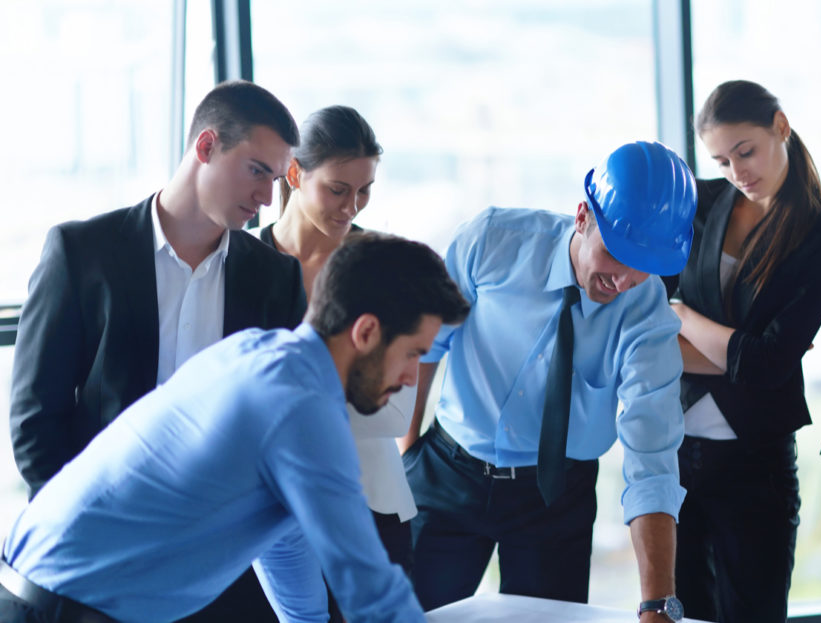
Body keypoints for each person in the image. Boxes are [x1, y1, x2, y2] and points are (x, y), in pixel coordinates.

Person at [0, 233, 471, 623]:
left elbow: (280, 535)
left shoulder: (258, 354)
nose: (413, 376)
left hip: (33, 593)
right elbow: (373, 593)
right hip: (61, 611)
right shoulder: (302, 407)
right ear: (366, 332)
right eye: (413, 353)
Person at [9, 80, 307, 622]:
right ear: (207, 146)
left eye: (277, 178)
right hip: (101, 564)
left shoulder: (276, 278)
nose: (268, 198)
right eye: (257, 170)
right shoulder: (82, 254)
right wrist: (86, 534)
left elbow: (281, 427)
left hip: (225, 573)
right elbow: (36, 418)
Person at [399, 140, 697, 621]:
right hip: (447, 473)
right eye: (617, 254)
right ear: (583, 216)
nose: (623, 280)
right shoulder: (493, 240)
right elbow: (424, 346)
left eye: (646, 267)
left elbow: (652, 461)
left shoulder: (647, 316)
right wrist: (406, 453)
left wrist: (656, 604)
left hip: (556, 498)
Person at [668, 80, 821, 623]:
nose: (737, 172)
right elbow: (643, 326)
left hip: (756, 467)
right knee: (680, 613)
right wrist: (736, 350)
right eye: (722, 160)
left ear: (780, 126)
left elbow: (769, 364)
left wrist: (683, 316)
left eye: (745, 151)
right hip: (673, 454)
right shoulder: (698, 203)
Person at [260, 106, 418, 579]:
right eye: (338, 189)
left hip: (368, 506)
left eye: (365, 191)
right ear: (293, 173)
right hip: (265, 514)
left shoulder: (385, 266)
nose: (351, 207)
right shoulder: (241, 262)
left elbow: (393, 410)